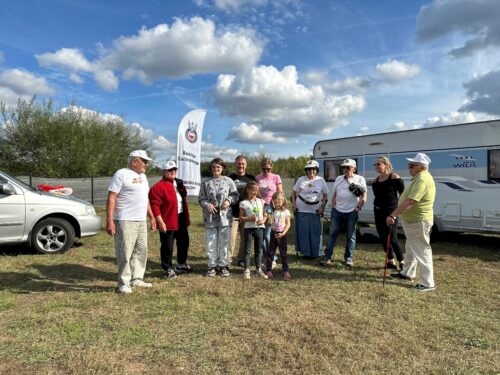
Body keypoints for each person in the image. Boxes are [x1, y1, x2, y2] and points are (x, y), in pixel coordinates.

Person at [106, 150, 157, 294]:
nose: (146, 165)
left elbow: (145, 199)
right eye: (144, 161)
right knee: (125, 251)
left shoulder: (143, 177)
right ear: (134, 161)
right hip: (125, 219)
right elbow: (112, 197)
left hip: (140, 220)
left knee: (141, 250)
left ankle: (137, 278)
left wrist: (151, 217)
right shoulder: (121, 174)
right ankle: (123, 282)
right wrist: (109, 220)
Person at [388, 153, 436, 292]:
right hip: (412, 220)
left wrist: (394, 215)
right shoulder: (419, 178)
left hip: (418, 220)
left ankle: (428, 283)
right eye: (409, 165)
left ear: (421, 167)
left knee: (421, 250)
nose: (409, 168)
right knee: (411, 248)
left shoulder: (423, 179)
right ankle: (407, 273)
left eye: (412, 165)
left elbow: (411, 201)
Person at [149, 160, 191, 280]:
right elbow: (154, 206)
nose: (173, 172)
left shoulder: (179, 183)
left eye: (174, 169)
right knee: (167, 245)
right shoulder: (158, 187)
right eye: (170, 170)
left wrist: (187, 217)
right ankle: (167, 268)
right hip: (167, 220)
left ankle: (181, 264)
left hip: (181, 217)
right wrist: (160, 222)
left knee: (184, 242)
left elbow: (183, 198)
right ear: (164, 171)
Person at [321, 159, 367, 267]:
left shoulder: (360, 179)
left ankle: (348, 258)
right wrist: (333, 207)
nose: (345, 169)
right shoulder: (338, 178)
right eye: (344, 167)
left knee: (351, 235)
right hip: (337, 211)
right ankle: (327, 257)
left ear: (354, 168)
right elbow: (335, 194)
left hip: (352, 211)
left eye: (348, 167)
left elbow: (363, 195)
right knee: (332, 234)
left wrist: (359, 207)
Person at [199, 158, 239, 277]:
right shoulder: (205, 182)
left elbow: (235, 194)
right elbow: (201, 199)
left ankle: (223, 265)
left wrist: (228, 200)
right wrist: (207, 204)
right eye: (213, 167)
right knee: (211, 242)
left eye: (218, 167)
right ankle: (212, 265)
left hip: (224, 217)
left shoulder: (228, 181)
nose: (216, 169)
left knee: (224, 242)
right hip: (210, 218)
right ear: (211, 169)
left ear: (223, 168)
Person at [372, 156, 405, 270]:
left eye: (378, 164)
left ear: (386, 165)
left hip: (391, 211)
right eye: (375, 165)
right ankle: (391, 261)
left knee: (392, 238)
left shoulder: (394, 177)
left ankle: (402, 262)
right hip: (378, 210)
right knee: (382, 237)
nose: (376, 166)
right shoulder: (375, 181)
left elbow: (403, 195)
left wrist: (398, 211)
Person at [292, 160, 329, 259]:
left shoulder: (321, 180)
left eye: (313, 169)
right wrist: (294, 204)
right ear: (306, 170)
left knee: (315, 231)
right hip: (302, 208)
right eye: (308, 169)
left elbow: (325, 195)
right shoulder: (301, 179)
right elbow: (293, 193)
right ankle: (305, 252)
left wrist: (322, 207)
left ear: (316, 170)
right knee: (303, 231)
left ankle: (315, 252)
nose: (311, 171)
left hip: (316, 208)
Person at [228, 155, 255, 267]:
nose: (241, 165)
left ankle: (241, 259)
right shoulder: (229, 178)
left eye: (243, 164)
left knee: (245, 239)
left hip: (246, 214)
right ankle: (227, 261)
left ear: (246, 165)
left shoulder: (251, 178)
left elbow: (256, 194)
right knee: (231, 239)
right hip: (233, 214)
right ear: (235, 164)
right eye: (239, 163)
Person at [256, 158, 283, 266]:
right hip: (259, 206)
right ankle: (268, 257)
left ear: (271, 167)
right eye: (264, 168)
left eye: (268, 168)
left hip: (271, 207)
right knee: (260, 233)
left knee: (267, 234)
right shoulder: (257, 177)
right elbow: (255, 193)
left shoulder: (276, 177)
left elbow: (280, 193)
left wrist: (278, 207)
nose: (266, 170)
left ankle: (271, 258)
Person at [239, 181, 268, 279]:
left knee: (258, 250)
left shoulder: (261, 201)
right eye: (253, 190)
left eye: (257, 190)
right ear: (247, 190)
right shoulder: (243, 203)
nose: (255, 192)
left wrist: (263, 219)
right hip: (248, 229)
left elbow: (266, 212)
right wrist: (250, 219)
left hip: (260, 228)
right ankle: (246, 270)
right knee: (247, 250)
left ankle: (258, 269)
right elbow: (241, 218)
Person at [265, 191, 292, 280]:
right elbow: (270, 223)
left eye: (279, 202)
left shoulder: (286, 211)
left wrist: (283, 233)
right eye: (275, 202)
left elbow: (288, 224)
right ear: (272, 201)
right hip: (273, 234)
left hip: (282, 234)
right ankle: (268, 270)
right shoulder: (270, 210)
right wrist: (269, 219)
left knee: (283, 253)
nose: (277, 204)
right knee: (271, 252)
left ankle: (285, 270)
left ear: (283, 201)